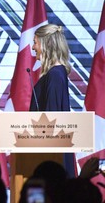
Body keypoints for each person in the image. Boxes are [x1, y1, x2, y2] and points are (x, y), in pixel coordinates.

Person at [30, 23, 75, 178]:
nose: (33, 47)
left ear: (45, 44)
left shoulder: (55, 75)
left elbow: (52, 119)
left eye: (35, 42)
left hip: (52, 153)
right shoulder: (56, 73)